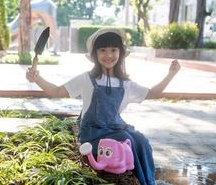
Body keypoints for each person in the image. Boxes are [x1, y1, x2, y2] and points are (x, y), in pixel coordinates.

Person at [26, 28, 181, 185]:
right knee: (126, 139)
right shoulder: (86, 79)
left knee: (141, 140)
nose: (108, 55)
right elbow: (57, 91)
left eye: (114, 50)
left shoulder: (125, 84)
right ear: (95, 54)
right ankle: (142, 180)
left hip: (116, 127)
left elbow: (152, 93)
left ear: (120, 53)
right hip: (92, 133)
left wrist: (171, 74)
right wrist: (37, 79)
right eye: (103, 50)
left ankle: (148, 181)